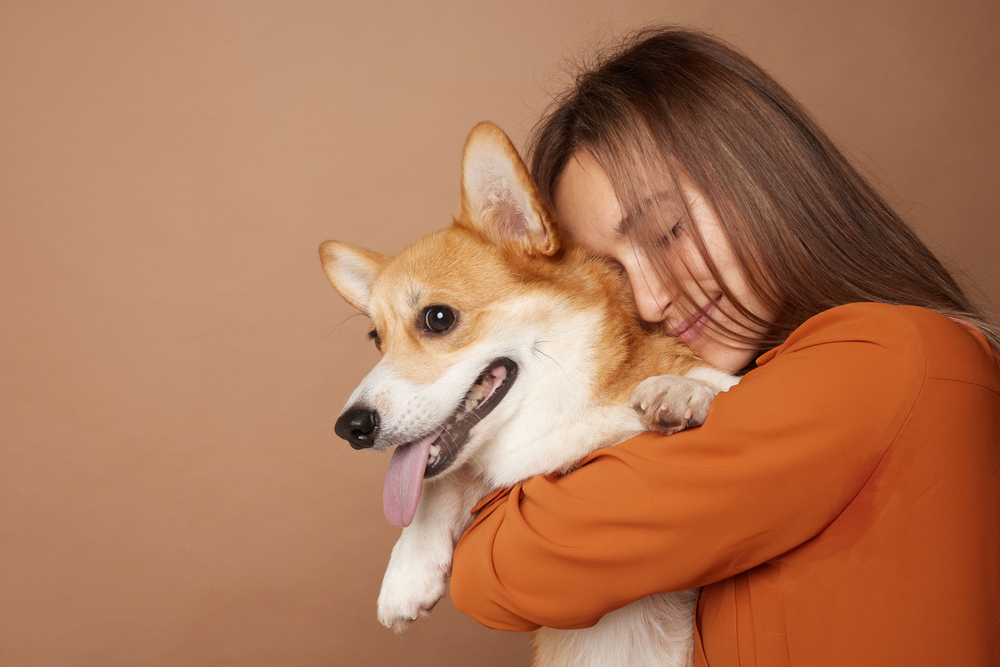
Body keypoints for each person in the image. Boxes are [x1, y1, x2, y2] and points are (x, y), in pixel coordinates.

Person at [448, 27, 1000, 666]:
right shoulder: (756, 395)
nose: (652, 301)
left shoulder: (888, 358)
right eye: (613, 275)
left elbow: (501, 569)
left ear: (765, 176)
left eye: (668, 231)